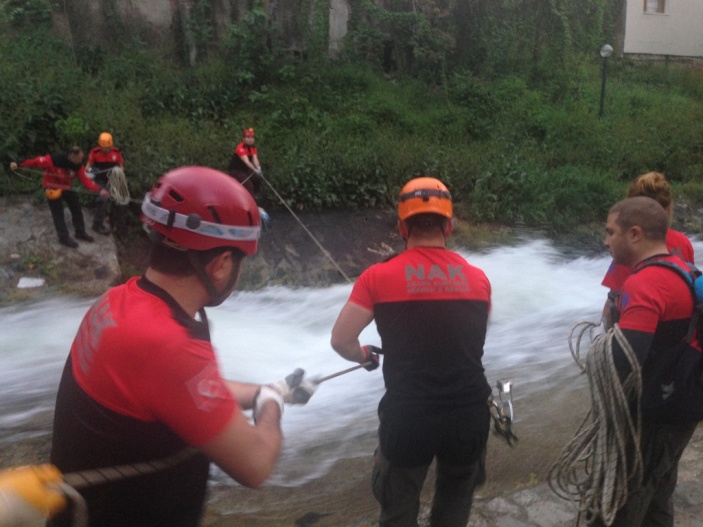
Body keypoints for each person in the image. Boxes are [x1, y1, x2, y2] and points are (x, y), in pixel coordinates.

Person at [48, 166, 316, 527]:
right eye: (240, 262)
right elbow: (255, 465)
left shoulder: (118, 303)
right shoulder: (166, 344)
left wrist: (263, 391)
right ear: (221, 264)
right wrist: (272, 406)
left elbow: (178, 394)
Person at [330, 176, 492, 527]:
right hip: (468, 414)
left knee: (398, 512)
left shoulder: (377, 277)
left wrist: (365, 356)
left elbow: (341, 341)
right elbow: (470, 338)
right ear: (449, 225)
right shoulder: (479, 279)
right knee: (453, 510)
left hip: (409, 417)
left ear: (401, 227)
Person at [595, 196, 699, 526]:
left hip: (654, 414)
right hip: (683, 402)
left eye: (612, 232)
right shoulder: (684, 268)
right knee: (659, 494)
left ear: (635, 234)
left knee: (625, 500)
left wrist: (600, 347)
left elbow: (626, 358)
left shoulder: (644, 283)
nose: (606, 240)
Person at [602, 171, 694, 328]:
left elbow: (613, 302)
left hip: (638, 328)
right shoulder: (683, 242)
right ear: (667, 211)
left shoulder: (627, 248)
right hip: (678, 331)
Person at [10, 147, 100, 248]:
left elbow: (85, 181)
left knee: (76, 208)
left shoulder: (77, 166)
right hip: (51, 187)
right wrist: (18, 164)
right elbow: (35, 162)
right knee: (58, 212)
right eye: (79, 159)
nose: (81, 161)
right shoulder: (53, 160)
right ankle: (63, 237)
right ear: (72, 156)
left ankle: (80, 232)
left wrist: (99, 189)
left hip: (66, 187)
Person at [85, 132, 125, 236]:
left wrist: (118, 172)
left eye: (107, 147)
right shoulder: (95, 152)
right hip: (99, 179)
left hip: (112, 179)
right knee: (103, 199)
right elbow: (87, 167)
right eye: (103, 147)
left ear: (111, 145)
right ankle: (97, 225)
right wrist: (92, 170)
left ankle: (119, 226)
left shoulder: (116, 152)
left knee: (119, 200)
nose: (105, 149)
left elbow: (121, 166)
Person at [228, 127, 262, 197]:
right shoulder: (240, 148)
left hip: (245, 171)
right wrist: (255, 170)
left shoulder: (252, 148)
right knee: (249, 186)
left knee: (258, 179)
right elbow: (247, 162)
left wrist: (258, 168)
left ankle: (254, 196)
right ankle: (249, 203)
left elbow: (255, 159)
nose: (251, 139)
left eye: (252, 137)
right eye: (248, 137)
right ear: (244, 139)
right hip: (236, 171)